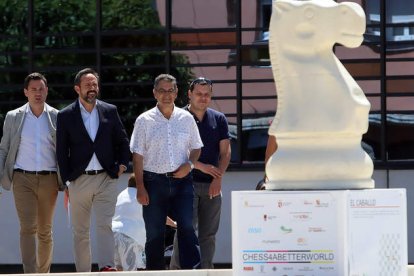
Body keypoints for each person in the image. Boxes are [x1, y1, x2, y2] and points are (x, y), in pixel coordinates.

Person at [56, 68, 130, 272]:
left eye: (95, 84)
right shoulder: (65, 115)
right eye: (88, 85)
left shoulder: (109, 110)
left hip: (106, 178)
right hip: (79, 179)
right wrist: (67, 181)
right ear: (77, 88)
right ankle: (83, 272)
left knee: (105, 226)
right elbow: (61, 152)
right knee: (81, 232)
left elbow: (123, 141)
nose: (92, 88)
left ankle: (106, 267)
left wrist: (122, 166)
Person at [130, 73, 203, 270]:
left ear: (177, 92)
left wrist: (190, 164)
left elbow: (197, 147)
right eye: (162, 90)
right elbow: (137, 156)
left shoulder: (186, 118)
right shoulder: (144, 120)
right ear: (154, 93)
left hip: (183, 182)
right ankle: (155, 273)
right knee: (155, 233)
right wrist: (140, 187)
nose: (166, 95)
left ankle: (193, 272)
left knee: (187, 227)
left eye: (170, 90)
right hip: (153, 182)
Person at [0, 72, 64, 273]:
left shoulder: (57, 116)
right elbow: (4, 148)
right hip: (22, 178)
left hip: (49, 179)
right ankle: (29, 273)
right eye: (33, 89)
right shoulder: (13, 116)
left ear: (46, 91)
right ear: (26, 92)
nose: (38, 93)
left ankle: (43, 273)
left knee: (45, 231)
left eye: (41, 89)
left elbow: (65, 149)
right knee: (28, 229)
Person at [170, 77, 231, 269]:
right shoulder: (177, 117)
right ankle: (177, 272)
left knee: (208, 234)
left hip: (212, 186)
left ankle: (205, 271)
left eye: (207, 95)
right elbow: (175, 151)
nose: (203, 98)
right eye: (199, 94)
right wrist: (201, 166)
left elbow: (226, 152)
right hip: (186, 184)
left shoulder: (218, 119)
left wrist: (218, 178)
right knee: (185, 231)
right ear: (189, 94)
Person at [112, 173, 177, 271]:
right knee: (130, 272)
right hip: (129, 237)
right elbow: (159, 216)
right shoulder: (141, 197)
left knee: (118, 270)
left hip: (113, 235)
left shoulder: (122, 194)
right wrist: (175, 224)